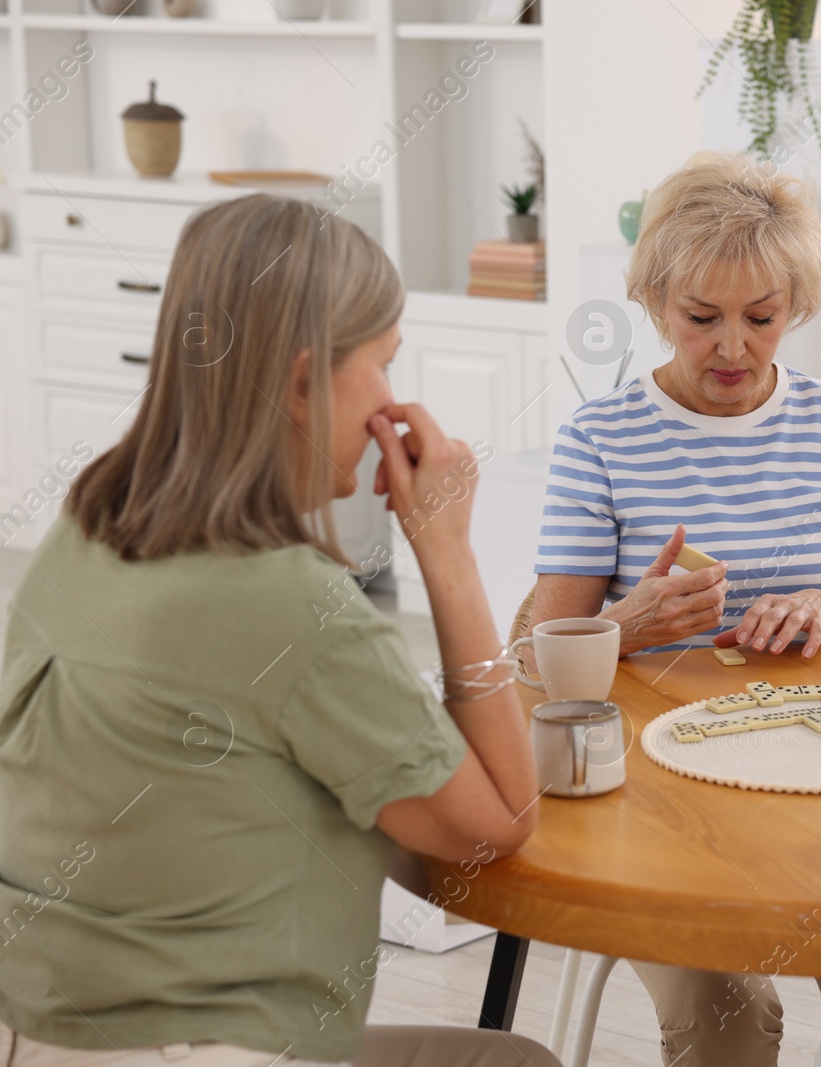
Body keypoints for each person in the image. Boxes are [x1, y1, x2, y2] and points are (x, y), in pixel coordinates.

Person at [0, 194, 560, 1067]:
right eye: (381, 365)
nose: (390, 402)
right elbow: (498, 823)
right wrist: (447, 554)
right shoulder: (293, 607)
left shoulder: (88, 521)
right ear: (303, 384)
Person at [522, 152, 821, 1067]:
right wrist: (630, 623)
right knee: (729, 1028)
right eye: (701, 318)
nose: (732, 347)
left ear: (796, 307)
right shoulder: (599, 440)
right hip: (655, 796)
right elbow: (526, 657)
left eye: (760, 319)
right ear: (653, 302)